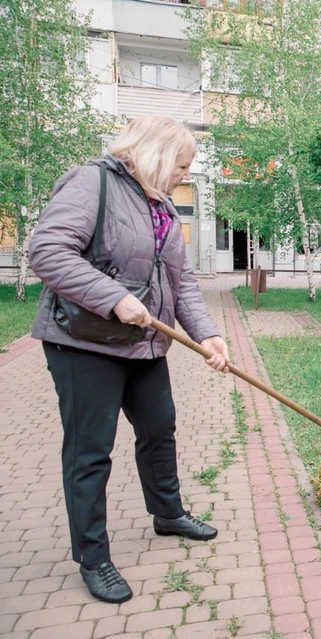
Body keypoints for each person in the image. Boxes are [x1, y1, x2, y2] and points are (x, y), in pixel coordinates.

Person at [29, 115, 231, 604]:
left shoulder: (161, 205)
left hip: (144, 344)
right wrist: (113, 296)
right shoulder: (91, 182)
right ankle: (93, 556)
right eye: (181, 166)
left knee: (160, 426)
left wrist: (209, 335)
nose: (185, 175)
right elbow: (48, 250)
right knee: (90, 449)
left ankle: (167, 513)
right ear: (155, 155)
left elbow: (179, 281)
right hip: (85, 343)